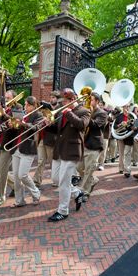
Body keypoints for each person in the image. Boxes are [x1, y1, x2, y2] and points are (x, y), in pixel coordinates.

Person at [47, 88, 90, 222]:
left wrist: (69, 113)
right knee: (56, 178)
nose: (62, 103)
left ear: (72, 100)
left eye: (64, 101)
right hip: (60, 149)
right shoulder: (61, 110)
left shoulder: (85, 111)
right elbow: (57, 129)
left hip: (72, 150)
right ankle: (77, 193)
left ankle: (63, 211)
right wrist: (49, 124)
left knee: (64, 181)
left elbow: (82, 125)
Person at [10, 96, 43, 207]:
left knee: (23, 175)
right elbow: (17, 129)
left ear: (34, 106)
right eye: (25, 104)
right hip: (17, 147)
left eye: (28, 105)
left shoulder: (38, 115)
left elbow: (36, 127)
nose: (25, 107)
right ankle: (20, 201)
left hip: (28, 148)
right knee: (16, 177)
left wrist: (23, 123)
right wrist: (13, 124)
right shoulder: (23, 114)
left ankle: (36, 193)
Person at [77, 92, 107, 199]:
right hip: (84, 143)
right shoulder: (86, 111)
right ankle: (93, 180)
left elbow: (94, 125)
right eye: (88, 100)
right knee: (79, 167)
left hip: (94, 144)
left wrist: (87, 114)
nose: (89, 102)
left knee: (89, 169)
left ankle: (85, 192)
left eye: (92, 100)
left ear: (97, 101)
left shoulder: (102, 113)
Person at [0, 90, 20, 207]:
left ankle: (0, 197)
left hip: (9, 143)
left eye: (9, 98)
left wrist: (3, 113)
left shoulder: (18, 108)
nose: (7, 100)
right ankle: (16, 186)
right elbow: (0, 124)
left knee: (1, 171)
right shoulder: (5, 109)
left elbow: (16, 125)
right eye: (6, 98)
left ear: (15, 98)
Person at [33, 90, 61, 188]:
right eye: (51, 97)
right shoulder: (46, 108)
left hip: (52, 139)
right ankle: (36, 181)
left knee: (52, 161)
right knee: (40, 160)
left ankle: (56, 179)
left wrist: (49, 124)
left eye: (53, 97)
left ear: (57, 99)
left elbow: (59, 126)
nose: (51, 99)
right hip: (43, 138)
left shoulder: (60, 110)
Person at [114, 104, 134, 177]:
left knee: (127, 153)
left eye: (128, 107)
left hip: (129, 136)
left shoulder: (132, 116)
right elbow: (114, 126)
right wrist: (120, 125)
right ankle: (121, 168)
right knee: (121, 153)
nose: (127, 108)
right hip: (121, 136)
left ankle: (127, 171)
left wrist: (130, 125)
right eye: (125, 107)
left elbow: (136, 125)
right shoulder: (119, 116)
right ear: (122, 107)